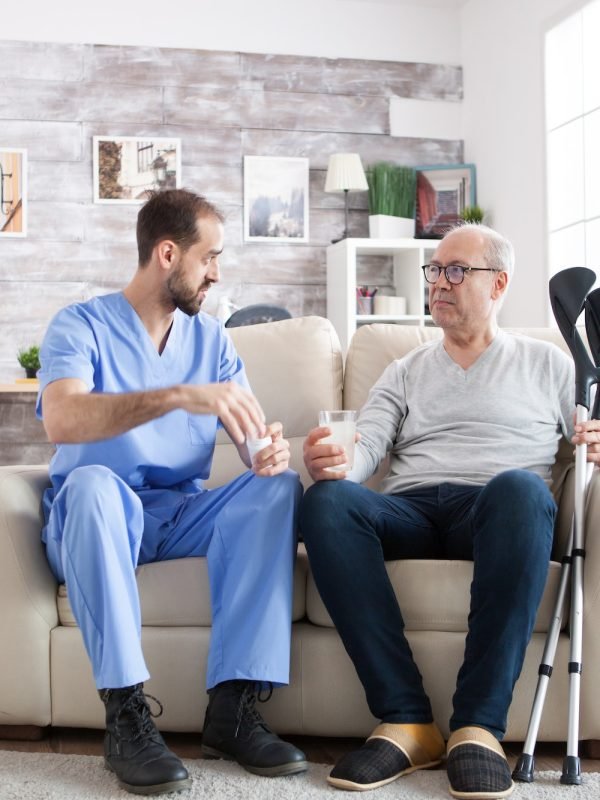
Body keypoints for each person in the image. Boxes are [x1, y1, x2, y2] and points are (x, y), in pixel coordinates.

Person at [299, 223, 597, 799]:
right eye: (434, 270)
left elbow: (588, 438)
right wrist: (336, 463)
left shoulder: (549, 364)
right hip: (410, 510)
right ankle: (407, 721)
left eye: (456, 270)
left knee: (522, 490)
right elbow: (366, 448)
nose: (439, 282)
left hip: (497, 508)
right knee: (328, 501)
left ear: (498, 284)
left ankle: (478, 728)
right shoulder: (405, 369)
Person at [36, 188, 306, 796]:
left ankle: (232, 709)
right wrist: (180, 395)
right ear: (167, 254)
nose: (216, 273)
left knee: (277, 490)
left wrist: (267, 453)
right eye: (208, 257)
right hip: (97, 516)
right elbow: (63, 419)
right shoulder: (79, 325)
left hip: (179, 514)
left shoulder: (211, 341)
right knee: (92, 485)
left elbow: (251, 439)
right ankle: (125, 714)